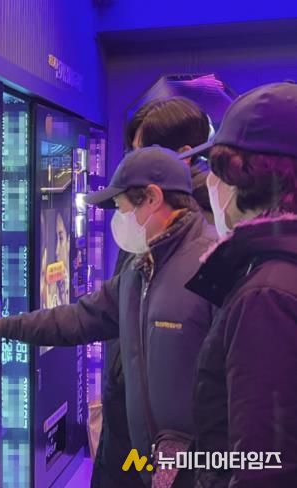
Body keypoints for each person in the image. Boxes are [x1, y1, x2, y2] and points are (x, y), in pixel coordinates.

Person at [0, 147, 217, 487]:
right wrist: (5, 326)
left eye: (122, 208)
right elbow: (80, 318)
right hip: (153, 464)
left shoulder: (210, 264)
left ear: (153, 198)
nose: (119, 220)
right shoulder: (140, 269)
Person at [92, 96, 217, 488]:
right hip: (127, 416)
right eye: (132, 152)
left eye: (144, 151)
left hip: (164, 443)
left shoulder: (208, 236)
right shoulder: (146, 221)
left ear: (185, 154)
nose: (134, 163)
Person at [179, 81, 297, 488]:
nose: (210, 185)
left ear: (248, 177)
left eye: (217, 171)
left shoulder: (268, 294)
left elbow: (264, 466)